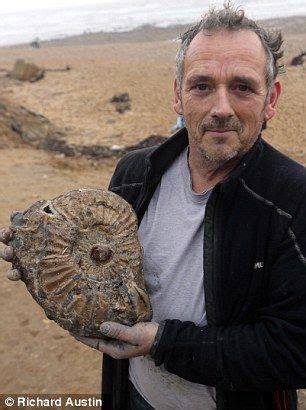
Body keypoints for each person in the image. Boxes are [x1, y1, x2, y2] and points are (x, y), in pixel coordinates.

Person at [2, 3, 306, 409]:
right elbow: (107, 278)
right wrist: (44, 253)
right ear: (177, 95)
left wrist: (162, 342)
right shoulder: (134, 172)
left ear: (271, 98)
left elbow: (296, 349)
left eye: (242, 87)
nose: (221, 108)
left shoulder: (294, 200)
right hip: (134, 393)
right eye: (201, 86)